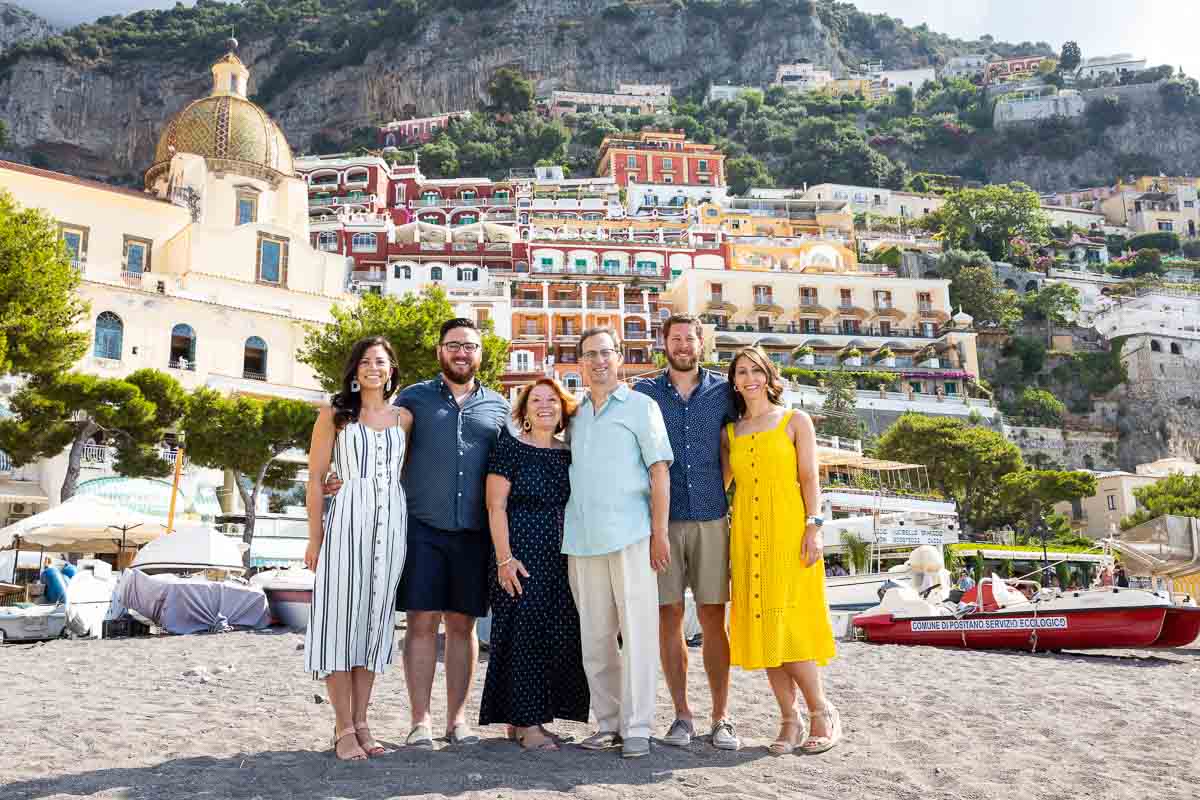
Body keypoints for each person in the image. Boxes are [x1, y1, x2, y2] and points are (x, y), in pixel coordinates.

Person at [327, 318, 509, 747]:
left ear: (481, 353)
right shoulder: (412, 400)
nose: (461, 352)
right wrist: (339, 476)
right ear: (439, 351)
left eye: (469, 346)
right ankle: (420, 722)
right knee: (422, 624)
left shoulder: (499, 406)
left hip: (474, 531)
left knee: (463, 628)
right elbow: (377, 447)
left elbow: (509, 466)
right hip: (420, 526)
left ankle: (457, 720)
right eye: (453, 345)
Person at [721, 346, 840, 756]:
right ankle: (789, 721)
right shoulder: (731, 432)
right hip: (746, 538)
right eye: (741, 372)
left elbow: (810, 479)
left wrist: (815, 527)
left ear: (769, 376)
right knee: (762, 622)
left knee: (788, 625)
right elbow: (719, 486)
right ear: (733, 381)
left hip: (789, 531)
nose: (749, 378)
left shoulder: (795, 421)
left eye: (756, 370)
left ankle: (821, 712)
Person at [564, 327, 673, 759]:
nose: (598, 361)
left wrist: (660, 533)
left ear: (619, 358)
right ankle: (607, 723)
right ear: (581, 364)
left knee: (639, 634)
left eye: (605, 353)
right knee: (595, 638)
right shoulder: (575, 415)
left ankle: (638, 727)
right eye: (589, 355)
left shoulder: (642, 407)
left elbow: (659, 471)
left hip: (632, 535)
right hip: (582, 539)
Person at [633, 314, 739, 751]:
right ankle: (682, 716)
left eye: (689, 339)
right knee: (668, 618)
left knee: (715, 618)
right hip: (663, 522)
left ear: (701, 343)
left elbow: (737, 443)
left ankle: (721, 716)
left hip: (713, 517)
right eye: (674, 339)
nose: (682, 345)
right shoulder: (644, 392)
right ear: (665, 344)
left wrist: (724, 486)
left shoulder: (724, 392)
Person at [304, 336, 412, 761]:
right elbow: (315, 479)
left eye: (380, 361)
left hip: (392, 525)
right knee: (337, 623)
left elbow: (398, 474)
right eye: (365, 361)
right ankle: (343, 728)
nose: (373, 367)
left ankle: (363, 722)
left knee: (374, 622)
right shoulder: (335, 415)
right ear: (354, 370)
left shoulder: (405, 418)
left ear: (391, 370)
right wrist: (315, 538)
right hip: (348, 521)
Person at [479, 378, 589, 751]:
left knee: (547, 635)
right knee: (521, 633)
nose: (545, 406)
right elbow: (495, 506)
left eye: (552, 400)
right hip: (519, 554)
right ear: (524, 411)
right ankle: (528, 726)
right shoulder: (510, 448)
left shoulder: (569, 451)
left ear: (562, 409)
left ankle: (521, 720)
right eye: (536, 400)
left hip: (560, 556)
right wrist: (504, 559)